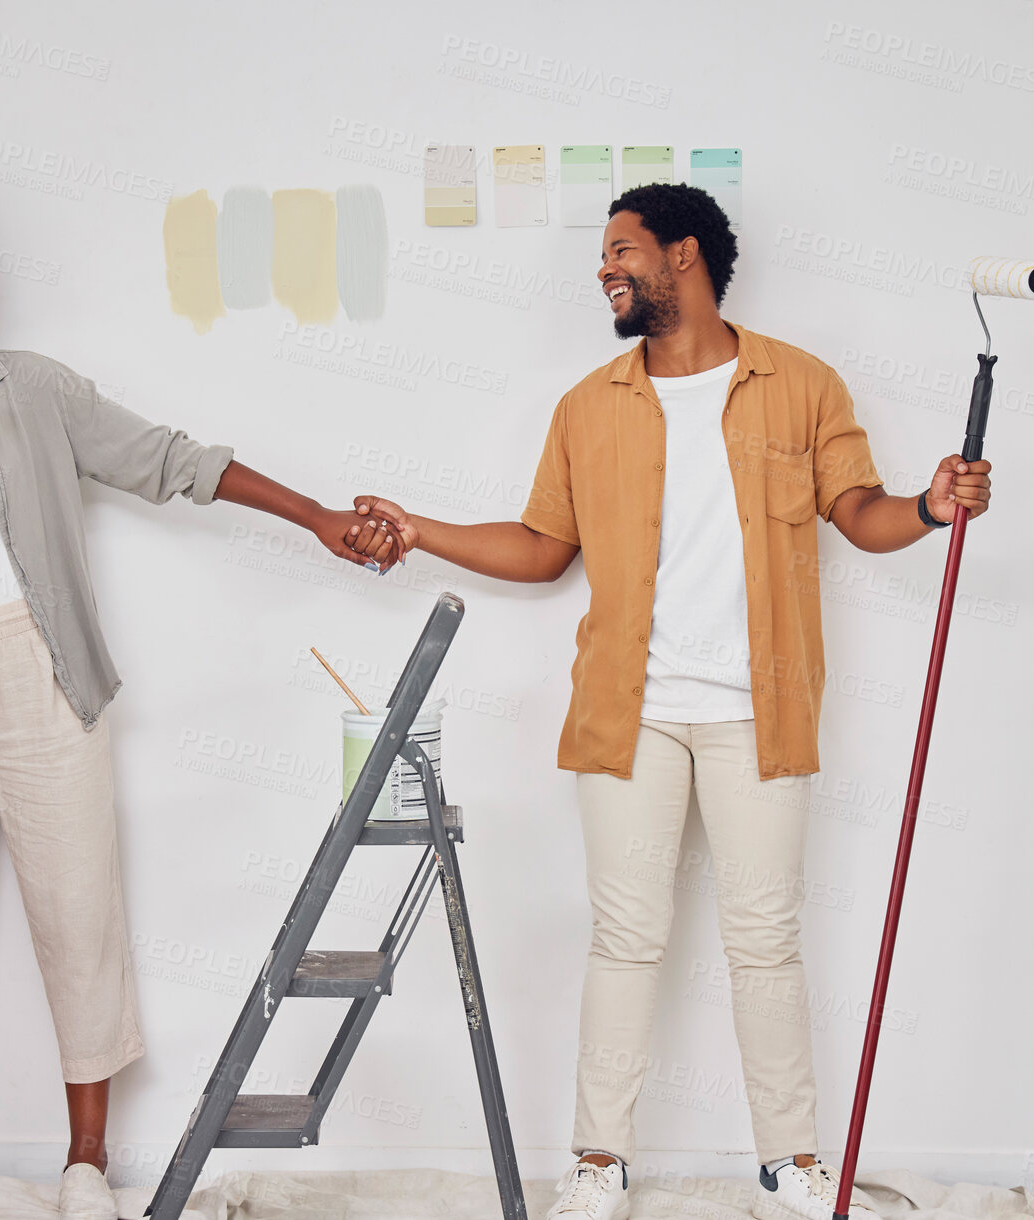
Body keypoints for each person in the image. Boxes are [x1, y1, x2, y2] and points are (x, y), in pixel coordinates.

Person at [348, 183, 992, 1220]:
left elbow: (859, 515)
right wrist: (420, 527)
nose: (603, 269)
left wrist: (927, 505)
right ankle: (597, 1162)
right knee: (625, 935)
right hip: (626, 711)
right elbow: (541, 547)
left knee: (764, 940)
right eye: (602, 254)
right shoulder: (586, 404)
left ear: (681, 255)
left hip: (758, 713)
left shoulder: (800, 385)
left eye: (620, 250)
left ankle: (790, 1164)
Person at [0, 157, 401, 1220]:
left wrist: (313, 515)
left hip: (42, 672)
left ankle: (85, 1162)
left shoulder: (27, 387)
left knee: (77, 909)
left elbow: (167, 458)